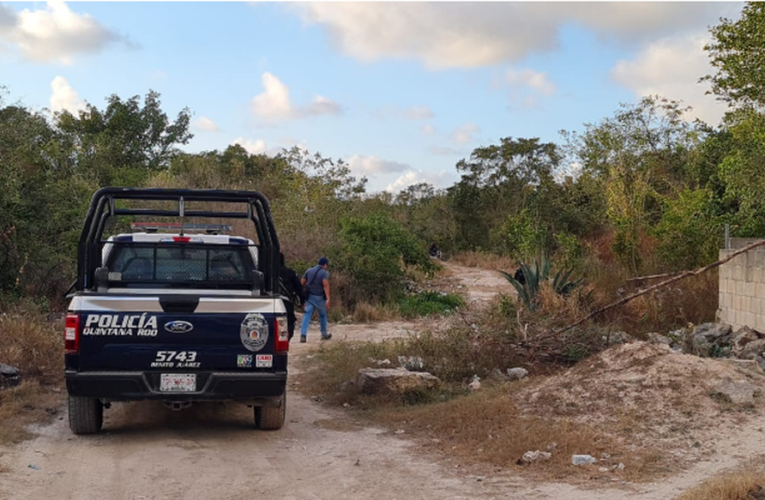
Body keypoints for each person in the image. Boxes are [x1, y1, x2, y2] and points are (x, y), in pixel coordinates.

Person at [299, 257, 332, 343]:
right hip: (320, 298)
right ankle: (324, 334)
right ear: (324, 265)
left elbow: (302, 282)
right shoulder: (324, 273)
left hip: (309, 297)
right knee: (322, 315)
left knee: (306, 315)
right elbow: (325, 284)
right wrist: (328, 298)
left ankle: (303, 335)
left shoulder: (309, 270)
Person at [279, 254, 303, 341]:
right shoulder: (290, 273)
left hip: (269, 304)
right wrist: (303, 301)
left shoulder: (266, 273)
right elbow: (299, 289)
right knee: (289, 325)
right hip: (287, 303)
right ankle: (285, 342)